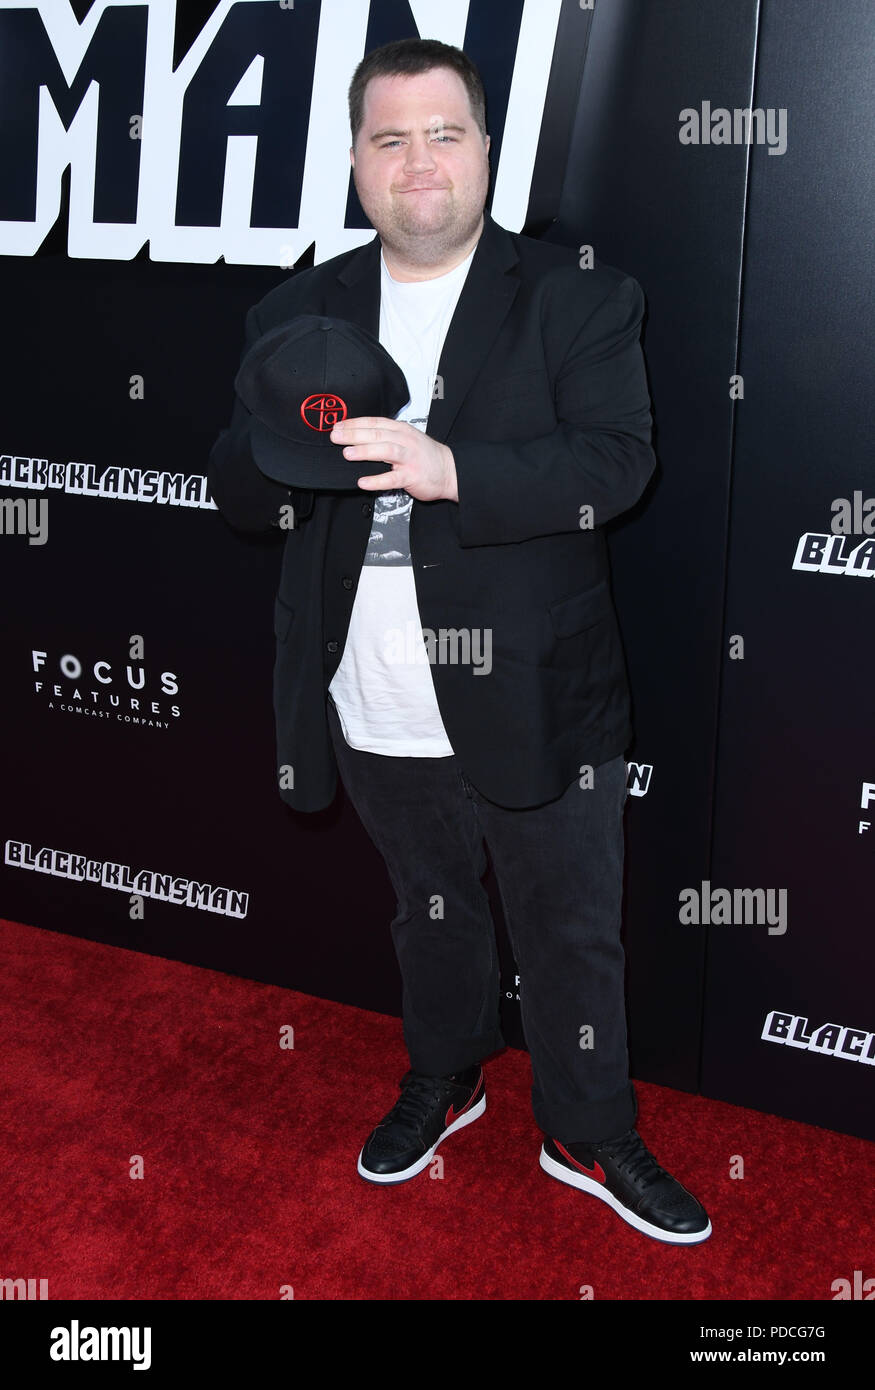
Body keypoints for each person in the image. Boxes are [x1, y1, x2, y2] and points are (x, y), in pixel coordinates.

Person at [208, 37, 711, 1245]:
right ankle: (448, 1073)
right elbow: (236, 487)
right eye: (389, 138)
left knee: (571, 926)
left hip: (539, 690)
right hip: (369, 686)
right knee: (427, 908)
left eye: (443, 133)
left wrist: (448, 470)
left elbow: (616, 463)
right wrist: (284, 461)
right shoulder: (297, 309)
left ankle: (586, 1125)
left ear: (486, 150)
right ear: (354, 162)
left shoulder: (581, 295)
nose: (417, 161)